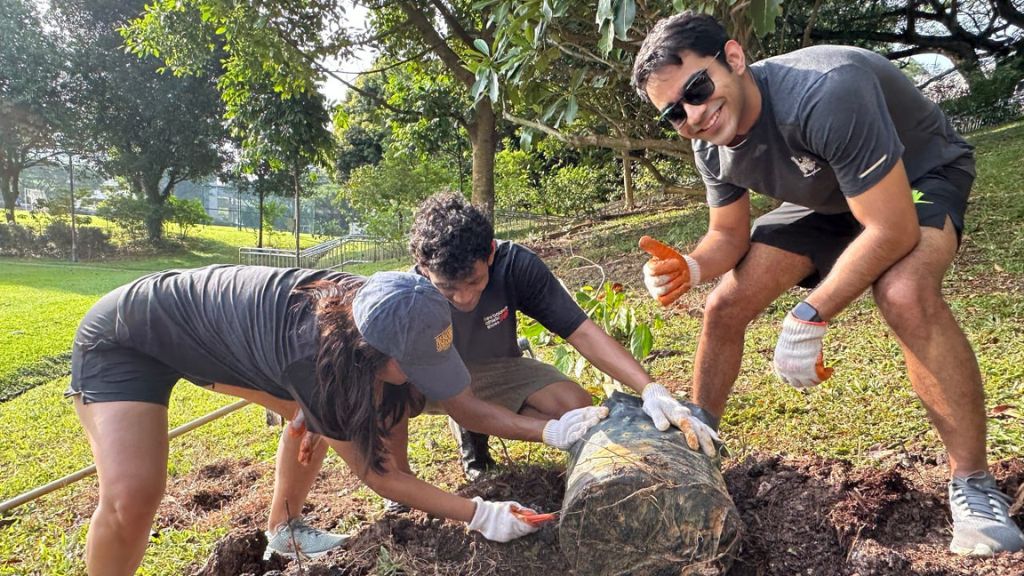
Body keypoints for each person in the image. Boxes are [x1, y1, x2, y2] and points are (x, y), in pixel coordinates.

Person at [631, 12, 1024, 556]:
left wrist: (810, 314)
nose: (693, 114)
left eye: (696, 88)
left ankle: (974, 485)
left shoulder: (824, 92)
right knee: (725, 304)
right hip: (830, 195)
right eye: (674, 112)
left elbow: (890, 228)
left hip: (918, 177)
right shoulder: (709, 142)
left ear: (734, 58)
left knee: (904, 293)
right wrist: (692, 267)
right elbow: (727, 233)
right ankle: (698, 458)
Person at [67, 265, 607, 575]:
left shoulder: (390, 303)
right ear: (371, 351)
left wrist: (550, 430)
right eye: (415, 366)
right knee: (133, 493)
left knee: (322, 417)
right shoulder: (319, 358)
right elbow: (379, 474)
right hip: (126, 339)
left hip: (221, 338)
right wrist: (480, 514)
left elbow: (450, 398)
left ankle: (285, 530)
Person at [407, 192, 720, 477]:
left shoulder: (515, 265)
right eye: (447, 288)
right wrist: (547, 431)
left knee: (577, 406)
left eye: (474, 282)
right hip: (426, 377)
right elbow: (396, 388)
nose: (463, 298)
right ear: (423, 269)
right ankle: (417, 478)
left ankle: (484, 436)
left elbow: (582, 331)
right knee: (386, 398)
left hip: (492, 367)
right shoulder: (409, 298)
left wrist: (650, 389)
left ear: (490, 253)